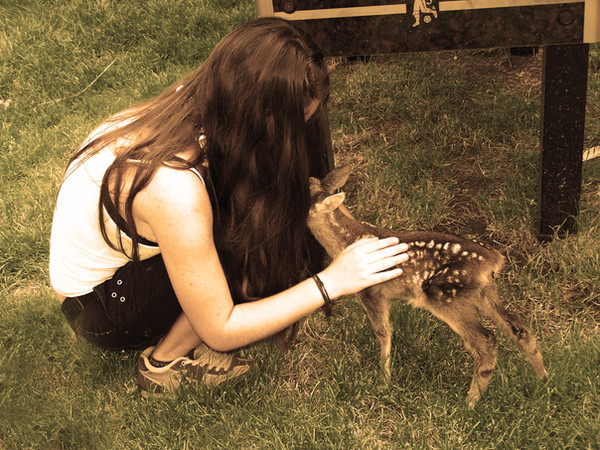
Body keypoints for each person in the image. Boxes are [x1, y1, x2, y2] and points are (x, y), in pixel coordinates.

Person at [49, 17, 409, 396]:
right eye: (292, 129)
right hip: (105, 309)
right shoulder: (175, 190)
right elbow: (221, 328)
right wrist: (333, 281)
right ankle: (163, 363)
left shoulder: (199, 102)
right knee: (246, 240)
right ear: (258, 116)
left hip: (100, 282)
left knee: (250, 214)